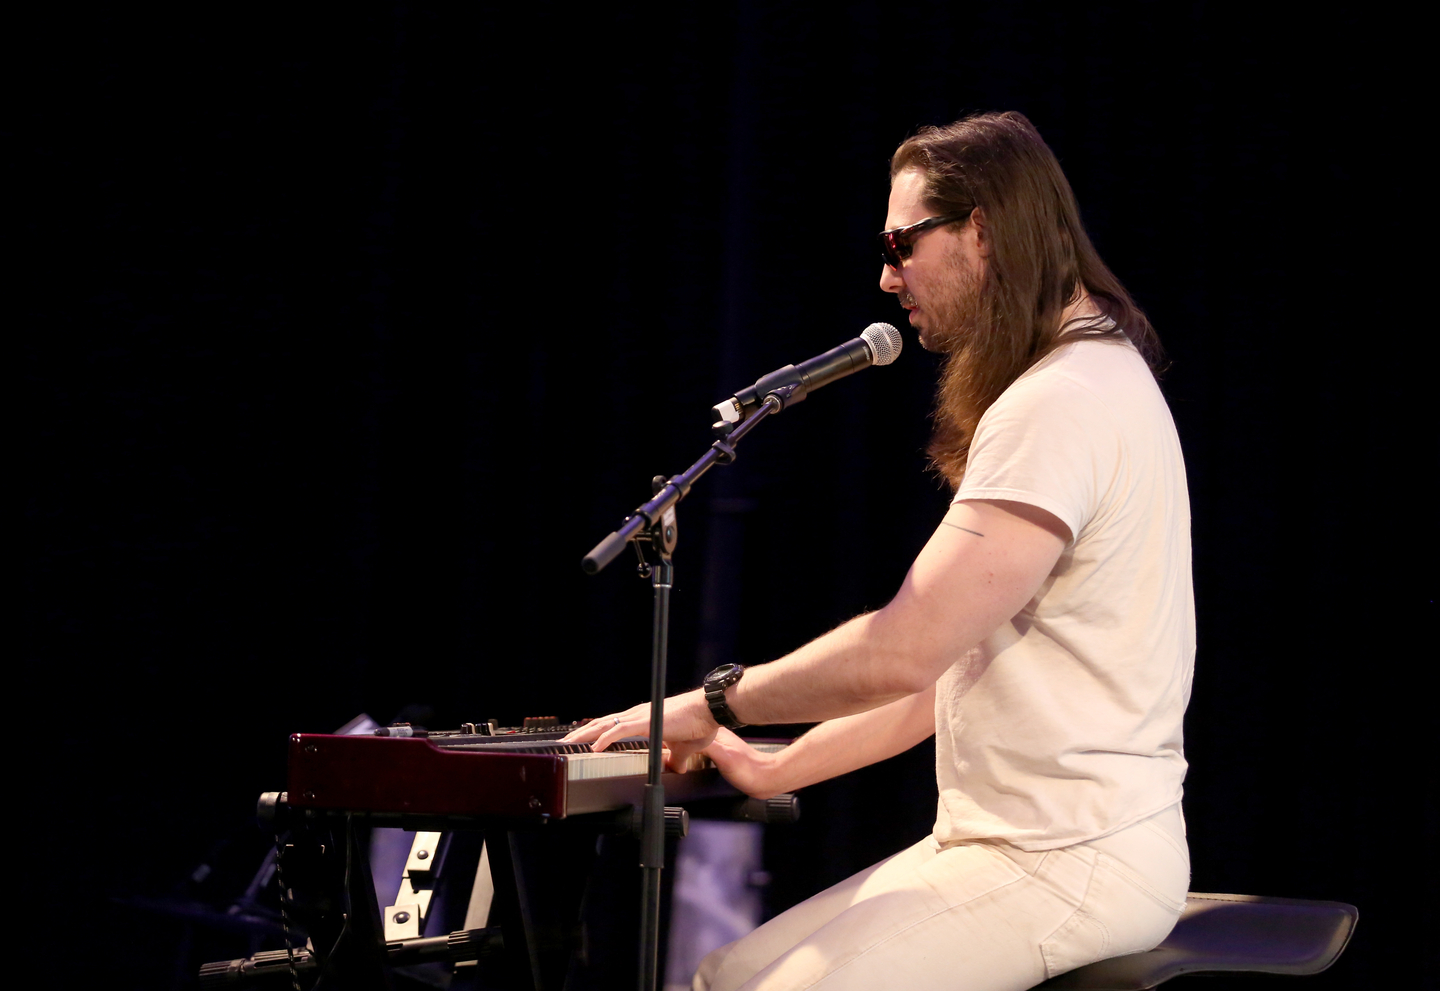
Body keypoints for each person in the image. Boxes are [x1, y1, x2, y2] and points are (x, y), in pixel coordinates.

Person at [564, 111, 1194, 991]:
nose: (887, 276)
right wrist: (784, 762)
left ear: (981, 229)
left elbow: (904, 650)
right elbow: (956, 675)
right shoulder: (1081, 377)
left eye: (901, 244)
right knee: (721, 977)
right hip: (1014, 846)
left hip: (1063, 859)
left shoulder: (1063, 400)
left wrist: (712, 703)